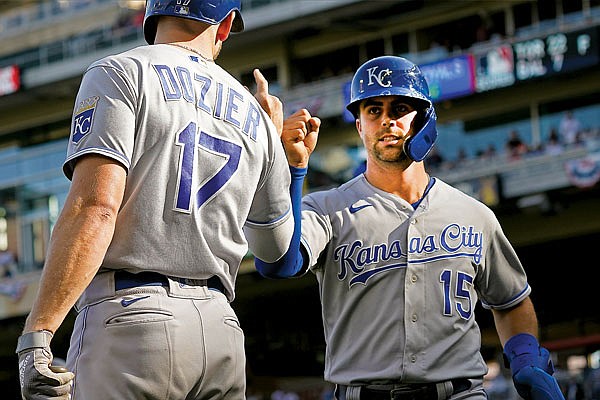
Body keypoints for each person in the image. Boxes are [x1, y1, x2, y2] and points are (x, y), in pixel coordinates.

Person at [16, 1, 300, 399]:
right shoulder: (258, 117)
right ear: (226, 25)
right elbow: (276, 252)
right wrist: (275, 149)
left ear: (152, 14)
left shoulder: (121, 71)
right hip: (221, 328)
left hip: (133, 319)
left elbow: (96, 209)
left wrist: (38, 331)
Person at [255, 56, 564, 400]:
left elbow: (510, 301)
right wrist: (290, 169)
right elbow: (278, 263)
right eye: (373, 110)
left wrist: (525, 358)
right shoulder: (327, 209)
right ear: (359, 125)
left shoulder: (473, 214)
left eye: (399, 108)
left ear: (423, 120)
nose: (386, 120)